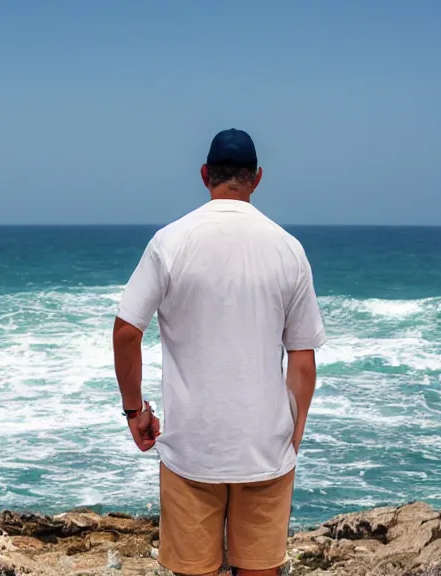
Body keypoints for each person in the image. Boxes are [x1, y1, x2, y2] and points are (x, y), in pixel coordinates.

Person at [112, 129, 325, 576]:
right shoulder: (288, 249)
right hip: (264, 449)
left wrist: (135, 411)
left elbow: (127, 332)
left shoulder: (171, 242)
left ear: (206, 174)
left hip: (193, 448)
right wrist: (295, 429)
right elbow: (302, 359)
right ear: (257, 178)